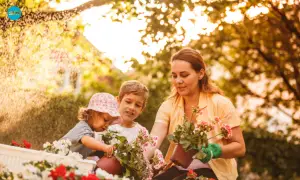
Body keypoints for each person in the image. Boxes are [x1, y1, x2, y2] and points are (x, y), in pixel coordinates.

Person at [149, 48, 246, 180]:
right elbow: (154, 138)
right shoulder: (169, 105)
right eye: (174, 75)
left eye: (184, 75)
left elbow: (240, 147)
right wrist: (140, 158)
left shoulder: (220, 104)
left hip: (213, 172)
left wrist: (215, 150)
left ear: (200, 74)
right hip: (179, 169)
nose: (178, 81)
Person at [61, 92, 120, 159]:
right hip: (55, 158)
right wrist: (105, 147)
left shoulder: (90, 132)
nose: (107, 125)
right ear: (93, 112)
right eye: (105, 120)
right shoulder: (83, 127)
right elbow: (86, 140)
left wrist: (99, 152)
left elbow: (84, 150)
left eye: (109, 123)